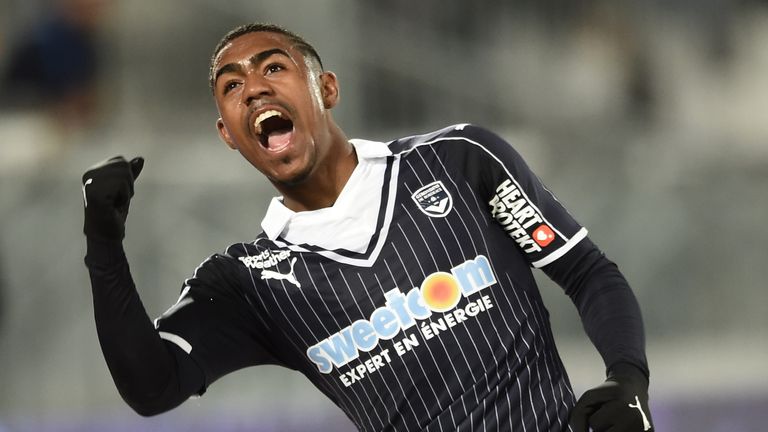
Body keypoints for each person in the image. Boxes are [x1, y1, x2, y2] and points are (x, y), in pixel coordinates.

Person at [82, 23, 653, 432]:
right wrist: (104, 245)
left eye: (274, 67)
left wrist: (627, 379)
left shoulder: (459, 162)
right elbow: (151, 388)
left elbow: (587, 272)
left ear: (326, 89)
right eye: (232, 86)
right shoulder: (246, 283)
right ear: (229, 134)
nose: (253, 88)